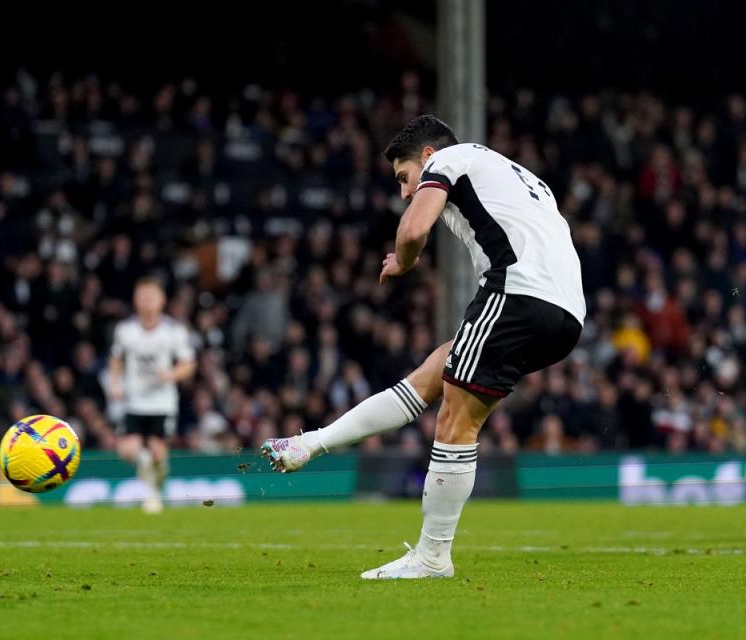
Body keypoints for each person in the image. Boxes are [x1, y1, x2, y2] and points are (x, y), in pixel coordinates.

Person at [261, 115, 586, 579]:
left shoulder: (448, 160)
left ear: (427, 157)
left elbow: (413, 232)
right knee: (435, 371)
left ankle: (432, 557)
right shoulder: (521, 176)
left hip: (519, 293)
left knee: (456, 419)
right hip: (568, 314)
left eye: (404, 177)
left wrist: (402, 261)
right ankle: (309, 444)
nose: (404, 191)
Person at [106, 277, 196, 513]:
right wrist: (114, 384)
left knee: (157, 454)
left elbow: (188, 364)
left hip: (162, 402)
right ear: (135, 300)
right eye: (142, 296)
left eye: (151, 296)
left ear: (162, 300)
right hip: (134, 401)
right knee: (127, 450)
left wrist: (170, 375)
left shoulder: (173, 331)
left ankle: (154, 494)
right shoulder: (125, 330)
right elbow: (116, 358)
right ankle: (147, 474)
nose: (146, 301)